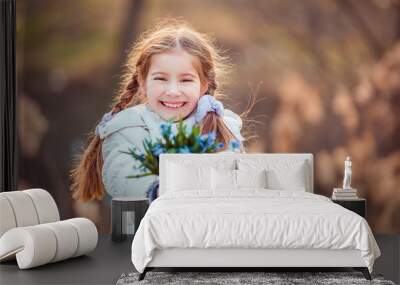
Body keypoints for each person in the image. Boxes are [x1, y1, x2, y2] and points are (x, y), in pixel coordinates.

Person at [70, 19, 248, 203]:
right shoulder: (128, 127)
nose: (172, 91)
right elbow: (121, 176)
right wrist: (158, 190)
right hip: (148, 226)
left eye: (185, 80)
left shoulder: (223, 125)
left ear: (204, 85)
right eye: (161, 79)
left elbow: (233, 173)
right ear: (142, 82)